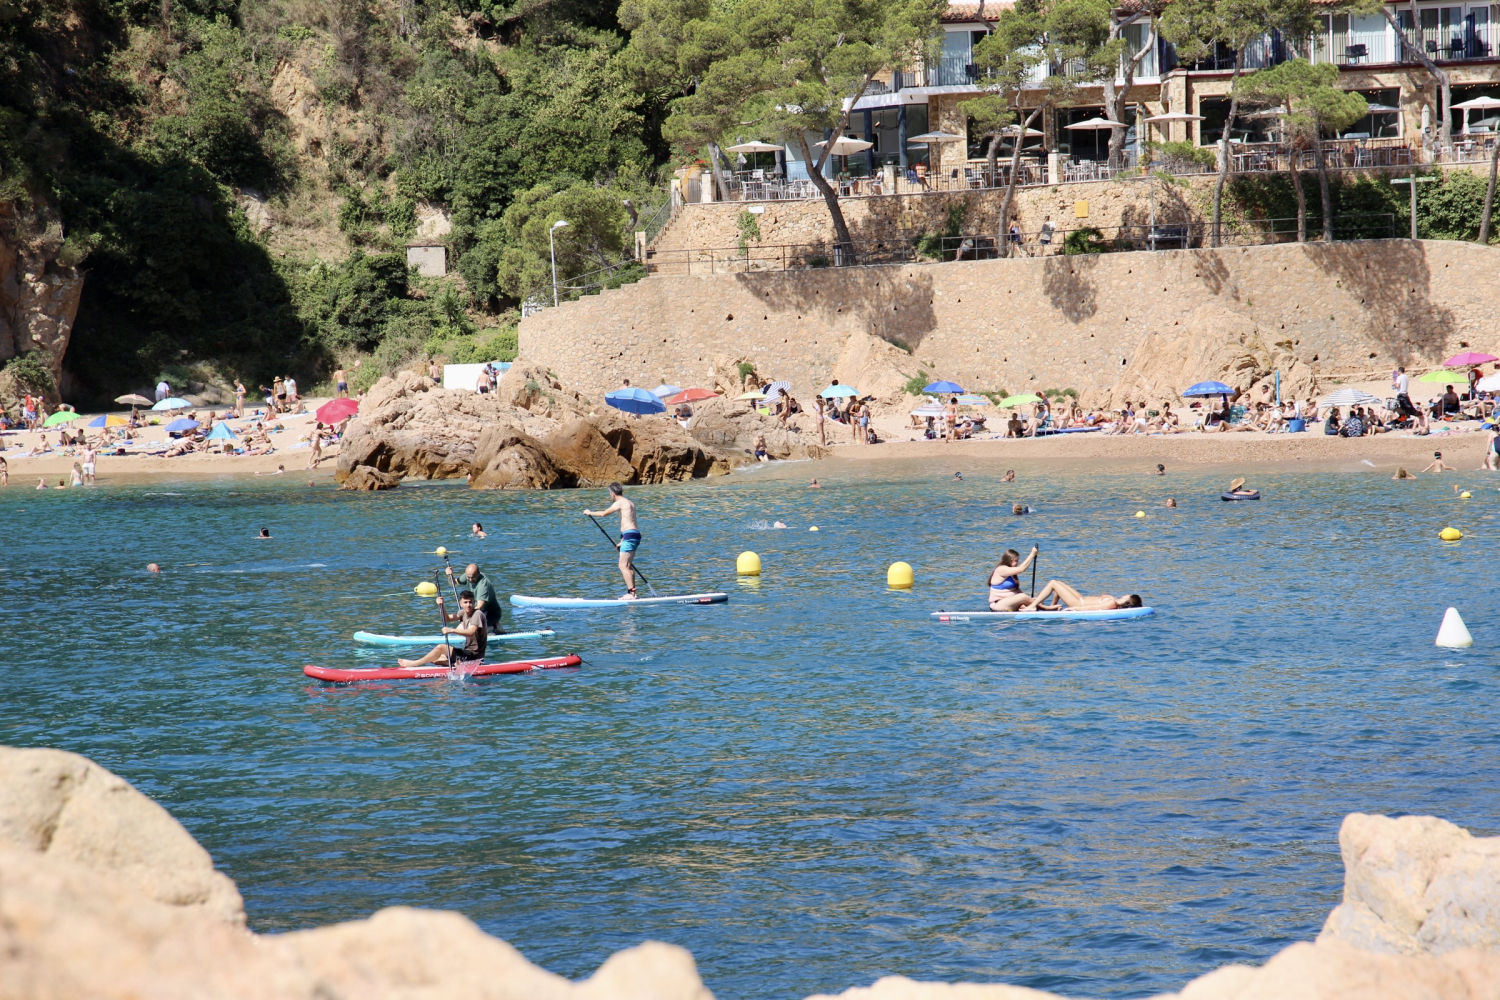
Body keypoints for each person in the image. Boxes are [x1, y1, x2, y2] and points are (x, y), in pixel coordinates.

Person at [397, 591, 487, 668]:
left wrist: (452, 630)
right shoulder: (464, 613)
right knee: (434, 658)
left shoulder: (477, 614)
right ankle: (455, 663)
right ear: (461, 603)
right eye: (465, 602)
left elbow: (471, 632)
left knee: (441, 647)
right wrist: (441, 606)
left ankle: (414, 664)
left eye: (470, 602)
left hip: (475, 657)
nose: (468, 605)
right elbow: (447, 618)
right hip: (467, 653)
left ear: (474, 602)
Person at [585, 483, 641, 599]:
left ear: (612, 493)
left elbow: (604, 514)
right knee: (628, 566)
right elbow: (629, 522)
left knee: (622, 566)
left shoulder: (620, 502)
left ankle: (631, 593)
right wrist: (622, 540)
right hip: (633, 535)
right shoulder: (630, 502)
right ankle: (633, 593)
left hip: (629, 535)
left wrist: (590, 513)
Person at [447, 562, 504, 632]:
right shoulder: (469, 575)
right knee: (462, 627)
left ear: (478, 574)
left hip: (491, 614)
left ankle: (494, 627)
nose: (470, 580)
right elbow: (453, 583)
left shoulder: (483, 585)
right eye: (468, 577)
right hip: (477, 611)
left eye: (473, 577)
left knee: (469, 628)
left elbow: (480, 606)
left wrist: (464, 615)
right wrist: (450, 576)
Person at [1022, 579, 1143, 612]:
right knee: (1058, 583)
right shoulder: (1114, 601)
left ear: (1129, 599)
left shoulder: (1113, 603)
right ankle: (1051, 608)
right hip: (1080, 598)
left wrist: (1075, 608)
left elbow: (1093, 609)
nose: (1126, 594)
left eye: (1129, 595)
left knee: (1053, 583)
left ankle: (1032, 606)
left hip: (1078, 603)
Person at [988, 546, 1038, 612]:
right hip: (998, 604)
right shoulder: (1001, 569)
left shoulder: (1012, 574)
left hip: (1009, 603)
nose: (1017, 563)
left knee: (1033, 600)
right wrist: (1032, 554)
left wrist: (1030, 599)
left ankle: (1038, 607)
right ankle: (1047, 608)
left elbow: (1017, 591)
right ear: (1009, 560)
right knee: (1023, 597)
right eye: (1016, 561)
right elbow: (1021, 569)